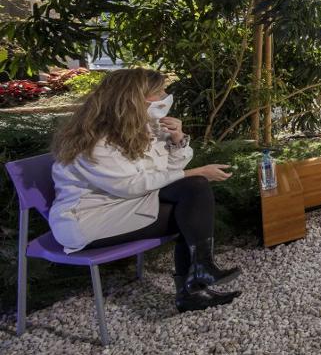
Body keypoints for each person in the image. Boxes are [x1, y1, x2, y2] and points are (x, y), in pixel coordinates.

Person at [49, 69, 241, 314]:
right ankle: (195, 283)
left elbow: (165, 171)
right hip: (90, 221)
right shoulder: (94, 142)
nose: (165, 96)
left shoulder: (139, 128)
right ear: (133, 99)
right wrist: (196, 172)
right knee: (192, 208)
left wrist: (177, 139)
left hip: (127, 205)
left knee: (194, 194)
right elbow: (132, 186)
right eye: (158, 92)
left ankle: (199, 273)